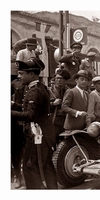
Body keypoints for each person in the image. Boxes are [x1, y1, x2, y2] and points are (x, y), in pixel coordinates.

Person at [11, 57, 58, 189]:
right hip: (44, 134)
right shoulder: (39, 87)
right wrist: (14, 105)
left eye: (22, 74)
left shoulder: (34, 91)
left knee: (30, 168)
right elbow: (32, 110)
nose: (19, 77)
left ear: (32, 74)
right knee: (46, 165)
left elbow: (30, 115)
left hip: (37, 135)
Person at [11, 73, 26, 188]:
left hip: (22, 121)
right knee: (15, 153)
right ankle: (18, 177)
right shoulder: (13, 84)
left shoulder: (30, 85)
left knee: (23, 151)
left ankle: (23, 177)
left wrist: (13, 105)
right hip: (14, 122)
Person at [48, 69, 71, 143]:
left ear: (65, 81)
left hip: (65, 123)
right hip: (52, 122)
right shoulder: (48, 91)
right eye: (57, 78)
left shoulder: (69, 92)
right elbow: (42, 105)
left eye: (62, 79)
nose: (59, 80)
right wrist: (53, 104)